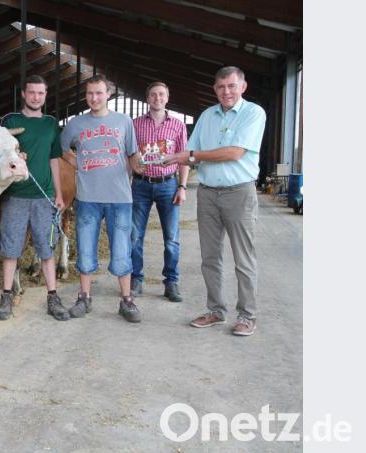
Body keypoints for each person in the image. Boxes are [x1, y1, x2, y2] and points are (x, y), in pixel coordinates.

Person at [161, 66, 266, 336]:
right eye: (221, 87)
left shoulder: (253, 113)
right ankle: (216, 311)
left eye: (231, 86)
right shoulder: (207, 116)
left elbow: (234, 152)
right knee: (210, 257)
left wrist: (192, 154)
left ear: (243, 86)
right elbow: (192, 155)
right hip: (207, 192)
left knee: (243, 258)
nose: (226, 91)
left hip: (238, 193)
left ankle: (247, 315)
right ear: (214, 89)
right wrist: (175, 157)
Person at [60, 74, 141, 323]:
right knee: (84, 248)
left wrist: (144, 165)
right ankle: (84, 297)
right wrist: (78, 164)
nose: (94, 98)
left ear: (108, 94)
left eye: (99, 93)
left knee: (121, 250)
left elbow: (132, 155)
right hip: (88, 198)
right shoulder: (76, 124)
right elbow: (63, 150)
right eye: (90, 93)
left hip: (119, 198)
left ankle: (127, 300)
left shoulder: (123, 121)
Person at [0, 74, 67, 321]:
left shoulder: (50, 124)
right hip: (15, 195)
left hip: (43, 196)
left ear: (45, 96)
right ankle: (6, 296)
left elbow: (54, 160)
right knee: (11, 247)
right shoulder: (10, 121)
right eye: (32, 92)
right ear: (23, 94)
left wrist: (58, 193)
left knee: (46, 248)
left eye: (41, 93)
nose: (36, 97)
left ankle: (53, 297)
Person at [130, 82, 190, 303]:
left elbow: (184, 158)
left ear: (167, 97)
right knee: (135, 236)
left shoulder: (178, 125)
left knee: (172, 238)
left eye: (161, 94)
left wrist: (182, 187)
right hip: (141, 184)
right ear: (147, 98)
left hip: (168, 184)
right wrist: (131, 172)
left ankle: (171, 282)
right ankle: (136, 278)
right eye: (153, 94)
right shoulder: (135, 124)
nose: (157, 98)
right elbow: (129, 154)